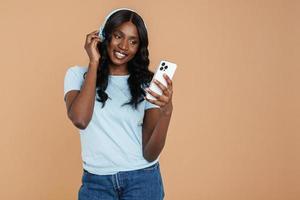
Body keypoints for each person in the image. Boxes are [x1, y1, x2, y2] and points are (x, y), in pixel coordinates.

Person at [63, 8, 174, 200]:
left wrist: (166, 111)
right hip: (97, 183)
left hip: (143, 180)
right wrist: (94, 62)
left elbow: (150, 153)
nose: (124, 46)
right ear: (104, 35)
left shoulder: (147, 84)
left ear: (139, 47)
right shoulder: (76, 75)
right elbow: (80, 119)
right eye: (118, 36)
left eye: (133, 41)